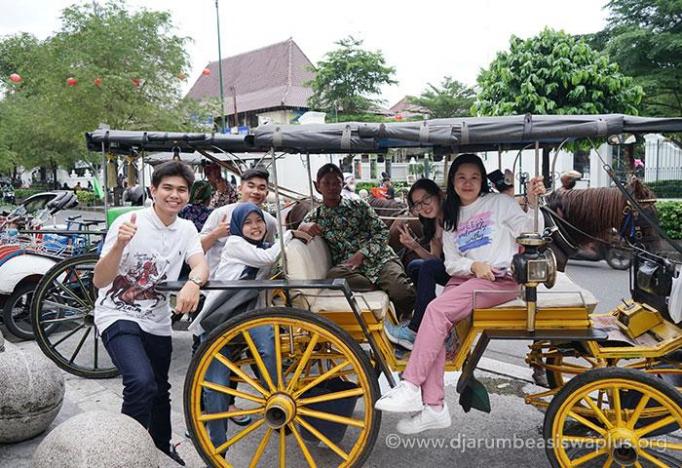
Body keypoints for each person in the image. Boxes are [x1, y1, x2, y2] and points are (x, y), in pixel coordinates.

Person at [375, 153, 545, 434]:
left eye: (474, 177)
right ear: (452, 181)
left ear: (482, 180)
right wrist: (473, 265)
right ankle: (434, 408)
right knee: (434, 324)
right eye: (461, 177)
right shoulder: (452, 218)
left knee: (435, 311)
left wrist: (534, 203)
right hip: (466, 278)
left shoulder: (499, 203)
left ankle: (412, 385)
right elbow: (451, 263)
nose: (468, 183)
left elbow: (530, 231)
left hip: (499, 279)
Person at [93, 160, 209, 465]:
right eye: (167, 188)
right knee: (141, 382)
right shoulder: (129, 222)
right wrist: (120, 244)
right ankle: (125, 454)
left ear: (188, 194)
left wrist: (193, 283)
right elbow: (100, 280)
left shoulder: (187, 228)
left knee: (159, 388)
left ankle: (161, 447)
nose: (174, 195)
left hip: (156, 319)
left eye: (181, 189)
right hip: (117, 313)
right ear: (152, 190)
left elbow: (200, 264)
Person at [190, 202, 289, 450]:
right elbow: (269, 258)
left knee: (268, 345)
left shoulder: (262, 245)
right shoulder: (235, 244)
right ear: (237, 227)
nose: (255, 227)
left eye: (259, 221)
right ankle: (217, 445)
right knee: (215, 387)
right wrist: (290, 234)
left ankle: (280, 401)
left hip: (248, 317)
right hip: (219, 321)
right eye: (248, 223)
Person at [298, 163, 415, 319]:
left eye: (336, 183)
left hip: (380, 259)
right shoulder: (315, 216)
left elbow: (382, 232)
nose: (332, 187)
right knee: (333, 276)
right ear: (317, 186)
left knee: (403, 293)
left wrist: (362, 254)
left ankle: (400, 306)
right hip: (349, 269)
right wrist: (304, 226)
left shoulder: (358, 206)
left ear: (342, 184)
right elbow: (296, 232)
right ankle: (377, 285)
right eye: (327, 183)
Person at [384, 179, 448, 350]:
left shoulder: (453, 218)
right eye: (417, 204)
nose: (423, 207)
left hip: (464, 269)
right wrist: (414, 246)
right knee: (414, 266)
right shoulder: (432, 223)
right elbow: (435, 259)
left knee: (426, 267)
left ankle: (415, 330)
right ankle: (424, 316)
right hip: (450, 267)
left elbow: (435, 264)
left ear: (439, 195)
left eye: (426, 199)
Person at [200, 168, 277, 276]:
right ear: (239, 189)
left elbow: (269, 252)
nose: (256, 191)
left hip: (251, 284)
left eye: (261, 188)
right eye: (251, 186)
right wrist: (215, 234)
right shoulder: (221, 214)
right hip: (215, 282)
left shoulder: (269, 221)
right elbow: (197, 250)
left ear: (266, 193)